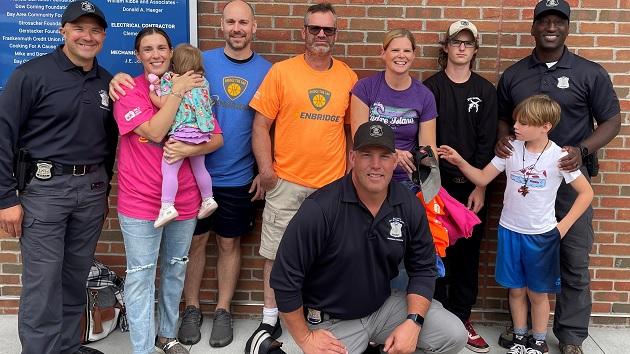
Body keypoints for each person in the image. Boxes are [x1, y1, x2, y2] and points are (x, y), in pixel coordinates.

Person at [270, 121, 467, 354]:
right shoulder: (320, 208)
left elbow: (423, 268)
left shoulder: (408, 204)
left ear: (395, 161)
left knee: (454, 334)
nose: (376, 165)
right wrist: (305, 339)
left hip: (382, 308)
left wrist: (413, 322)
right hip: (333, 322)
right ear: (352, 158)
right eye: (366, 155)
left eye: (384, 156)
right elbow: (284, 278)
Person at [494, 1, 621, 353]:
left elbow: (612, 121)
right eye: (544, 21)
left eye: (559, 21)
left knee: (574, 260)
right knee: (523, 260)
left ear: (567, 28)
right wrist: (503, 137)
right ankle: (521, 329)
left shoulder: (589, 72)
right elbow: (504, 118)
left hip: (568, 182)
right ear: (533, 28)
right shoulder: (515, 74)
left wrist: (582, 149)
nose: (551, 26)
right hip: (528, 186)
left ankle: (571, 336)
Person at [0, 1, 117, 353]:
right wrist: (6, 199)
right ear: (62, 30)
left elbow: (111, 143)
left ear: (104, 36)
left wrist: (104, 190)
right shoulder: (32, 74)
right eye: (79, 28)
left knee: (73, 276)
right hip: (44, 191)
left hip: (92, 190)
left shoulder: (107, 82)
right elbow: (4, 134)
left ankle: (66, 347)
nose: (87, 36)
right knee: (43, 281)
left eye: (95, 30)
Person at [439, 94, 594, 354]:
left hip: (541, 236)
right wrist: (460, 161)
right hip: (510, 231)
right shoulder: (510, 150)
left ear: (545, 126)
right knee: (516, 290)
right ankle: (520, 338)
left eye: (523, 123)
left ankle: (539, 341)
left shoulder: (559, 157)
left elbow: (586, 193)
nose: (516, 127)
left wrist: (563, 227)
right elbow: (482, 177)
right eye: (516, 121)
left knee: (537, 294)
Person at [249, 2, 357, 351]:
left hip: (330, 186)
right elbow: (261, 125)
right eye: (315, 29)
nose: (321, 35)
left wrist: (350, 174)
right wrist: (267, 171)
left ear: (336, 34)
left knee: (324, 254)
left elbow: (352, 132)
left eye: (328, 30)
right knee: (276, 253)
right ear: (304, 32)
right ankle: (270, 316)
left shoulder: (347, 77)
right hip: (287, 181)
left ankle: (314, 308)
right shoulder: (282, 72)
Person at [111, 27, 222, 354]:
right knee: (141, 279)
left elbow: (216, 137)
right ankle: (142, 348)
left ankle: (166, 335)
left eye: (162, 48)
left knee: (175, 271)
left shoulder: (192, 85)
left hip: (185, 203)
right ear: (138, 56)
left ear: (171, 53)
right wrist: (178, 91)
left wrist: (189, 151)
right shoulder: (129, 91)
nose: (156, 55)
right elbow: (157, 131)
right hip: (141, 205)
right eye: (148, 49)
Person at [179, 0, 271, 348]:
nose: (237, 28)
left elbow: (270, 127)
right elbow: (160, 84)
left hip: (238, 176)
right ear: (221, 25)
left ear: (253, 27)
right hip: (194, 173)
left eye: (243, 22)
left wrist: (265, 169)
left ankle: (222, 310)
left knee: (229, 243)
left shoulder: (267, 70)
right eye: (231, 21)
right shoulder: (201, 62)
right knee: (195, 242)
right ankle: (191, 308)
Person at [423, 19, 497, 353]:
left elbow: (487, 143)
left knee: (467, 257)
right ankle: (436, 320)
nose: (462, 48)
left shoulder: (485, 91)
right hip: (437, 189)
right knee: (436, 255)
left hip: (472, 189)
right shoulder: (430, 88)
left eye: (468, 43)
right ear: (446, 47)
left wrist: (480, 187)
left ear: (475, 49)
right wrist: (431, 187)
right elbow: (424, 143)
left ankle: (463, 319)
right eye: (456, 42)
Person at [350, 28, 437, 192]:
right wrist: (393, 154)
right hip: (369, 175)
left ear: (414, 55)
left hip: (406, 181)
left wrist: (424, 161)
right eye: (395, 50)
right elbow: (359, 138)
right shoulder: (364, 88)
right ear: (383, 53)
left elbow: (428, 147)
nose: (401, 55)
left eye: (407, 51)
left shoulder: (425, 96)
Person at [147, 43, 219, 228]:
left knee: (169, 169)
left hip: (181, 132)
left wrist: (152, 93)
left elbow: (164, 103)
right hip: (201, 133)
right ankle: (208, 199)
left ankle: (167, 206)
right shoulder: (202, 81)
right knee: (200, 168)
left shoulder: (172, 79)